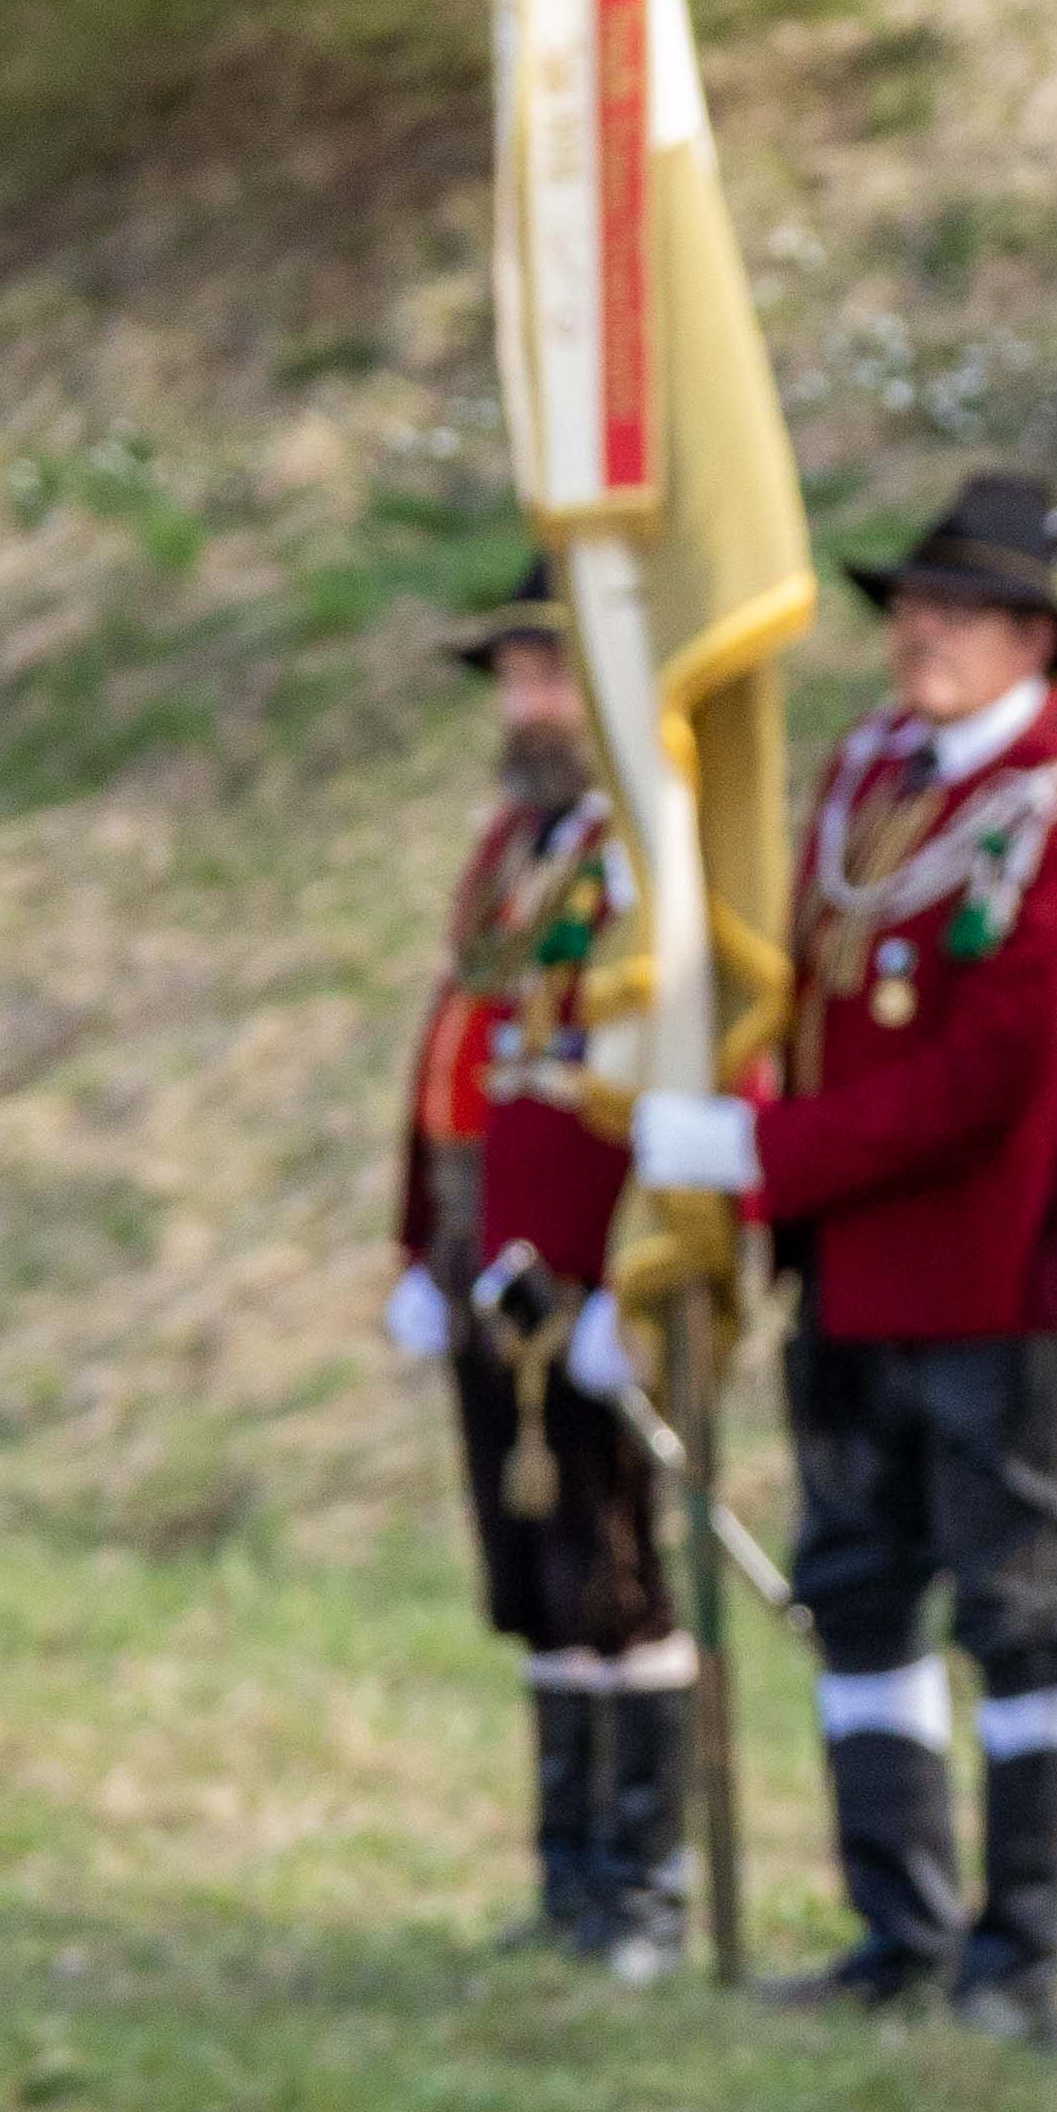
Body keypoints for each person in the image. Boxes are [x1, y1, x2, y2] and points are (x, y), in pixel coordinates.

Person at [634, 471, 1057, 2037]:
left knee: (1019, 1612)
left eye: (960, 614)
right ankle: (899, 1926)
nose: (920, 634)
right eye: (913, 608)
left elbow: (996, 1072)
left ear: (1033, 640)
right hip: (849, 1270)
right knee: (858, 1594)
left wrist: (772, 1157)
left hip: (990, 1274)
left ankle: (1019, 1948)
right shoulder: (869, 773)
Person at [382, 560, 689, 1980]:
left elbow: (656, 1058)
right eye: (514, 674)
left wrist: (640, 1272)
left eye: (551, 672)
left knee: (614, 1561)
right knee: (533, 1566)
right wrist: (413, 1238)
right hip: (479, 1239)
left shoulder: (647, 853)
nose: (528, 702)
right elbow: (454, 1048)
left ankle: (645, 1885)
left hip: (581, 1249)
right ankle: (570, 1878)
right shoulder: (516, 842)